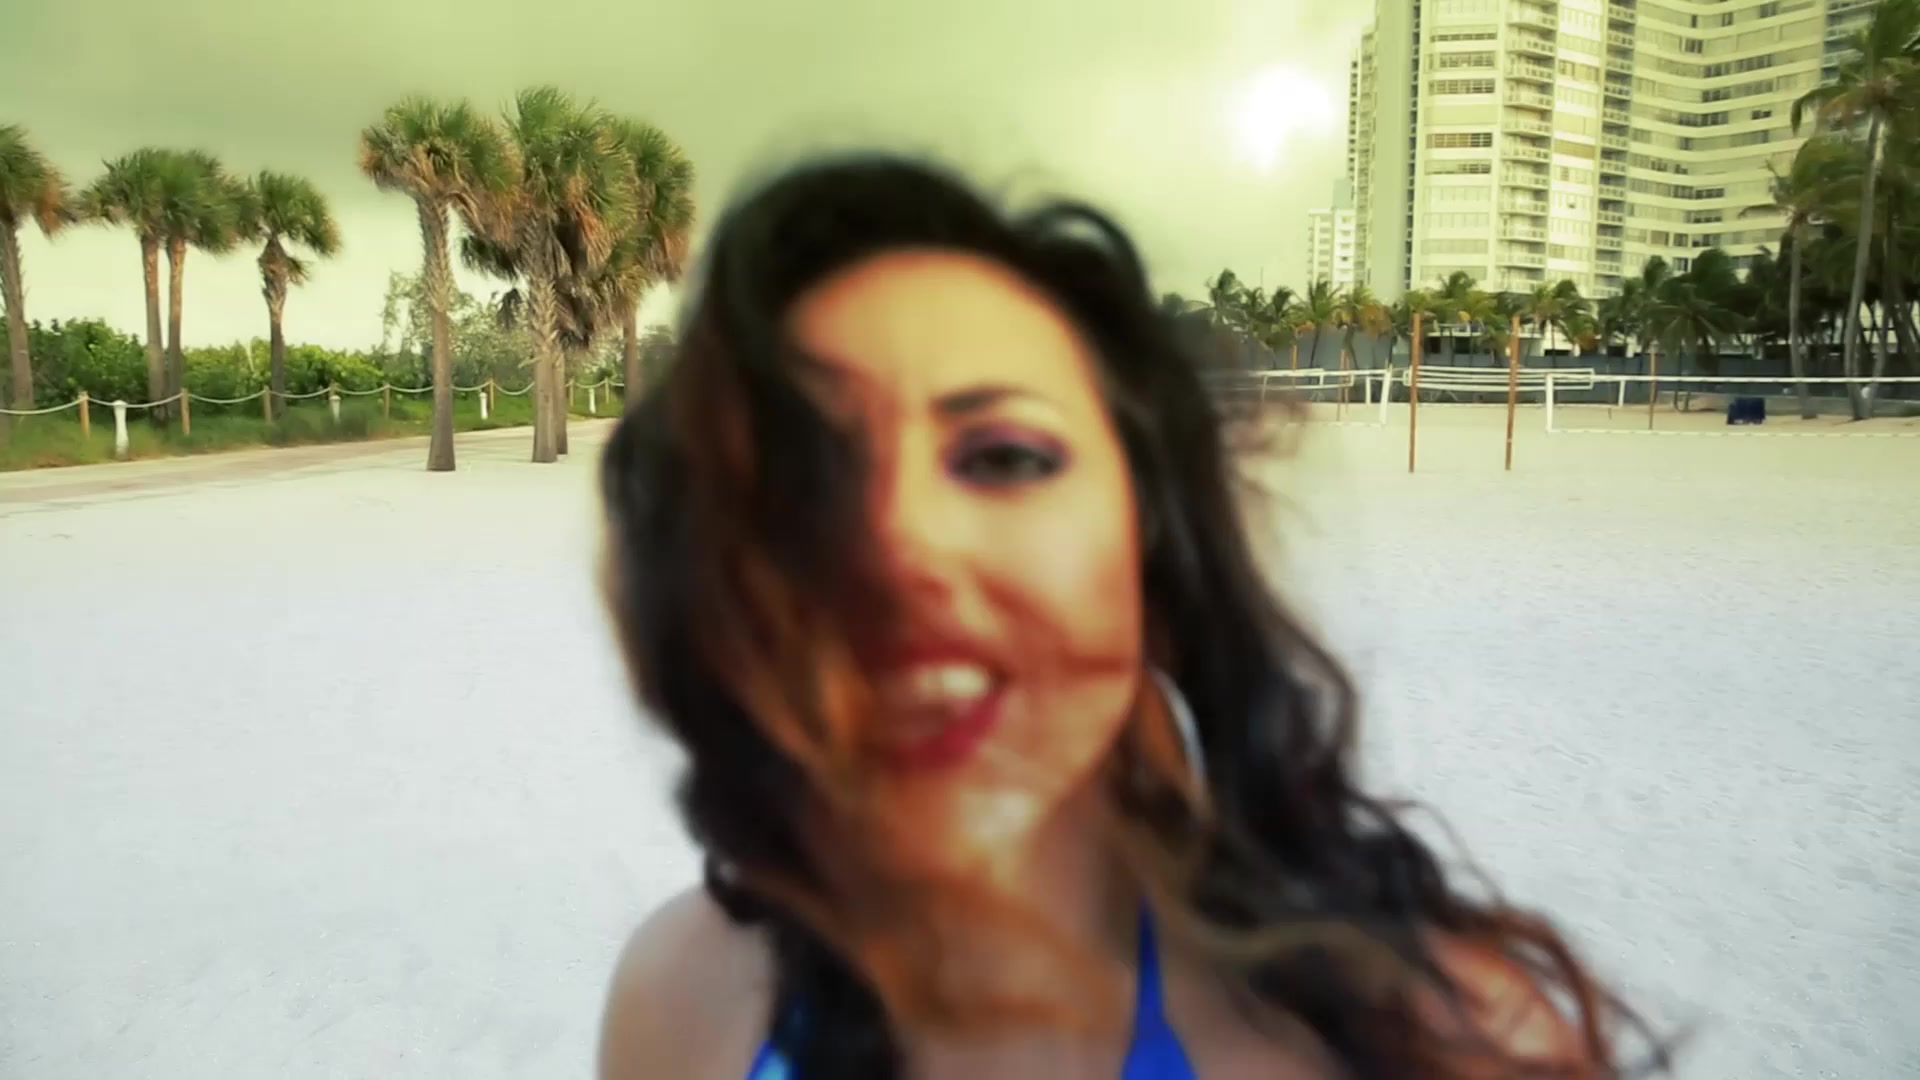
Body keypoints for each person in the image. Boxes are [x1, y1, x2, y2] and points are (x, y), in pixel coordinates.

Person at [594, 155, 1668, 1078]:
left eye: (1004, 456)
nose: (898, 552)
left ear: (1154, 557)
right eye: (800, 476)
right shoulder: (686, 1006)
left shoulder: (1443, 1041)